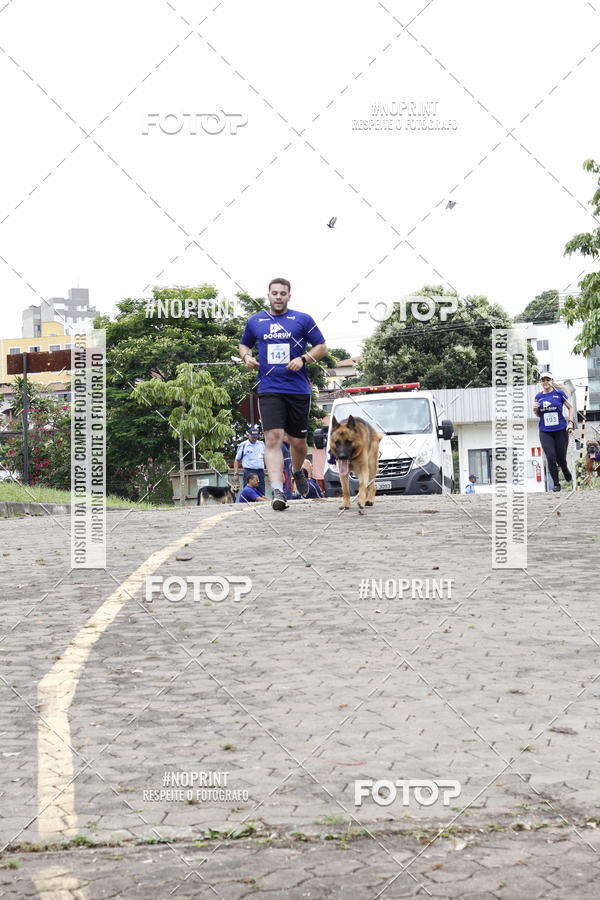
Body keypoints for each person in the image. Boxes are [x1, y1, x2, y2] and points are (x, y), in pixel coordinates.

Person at [239, 277, 327, 511]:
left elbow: (322, 346)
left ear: (289, 296)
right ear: (268, 295)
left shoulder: (302, 319)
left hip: (297, 389)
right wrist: (247, 357)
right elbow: (244, 344)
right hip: (269, 388)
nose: (278, 297)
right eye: (274, 293)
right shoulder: (255, 321)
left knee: (298, 443)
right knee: (273, 438)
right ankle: (278, 490)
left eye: (282, 293)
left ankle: (297, 471)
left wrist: (304, 358)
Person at [533, 372, 574, 492]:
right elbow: (538, 414)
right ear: (540, 382)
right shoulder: (538, 396)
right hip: (545, 431)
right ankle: (556, 483)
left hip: (560, 430)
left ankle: (564, 468)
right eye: (543, 380)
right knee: (550, 456)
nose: (545, 382)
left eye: (548, 379)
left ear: (552, 380)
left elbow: (570, 407)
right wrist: (535, 409)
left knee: (560, 458)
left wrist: (570, 423)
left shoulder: (559, 393)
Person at [233, 426, 265, 495]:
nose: (254, 438)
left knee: (261, 493)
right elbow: (237, 460)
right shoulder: (244, 445)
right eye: (253, 437)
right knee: (248, 493)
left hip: (260, 472)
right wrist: (236, 473)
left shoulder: (261, 444)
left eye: (256, 437)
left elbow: (266, 458)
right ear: (248, 435)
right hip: (249, 472)